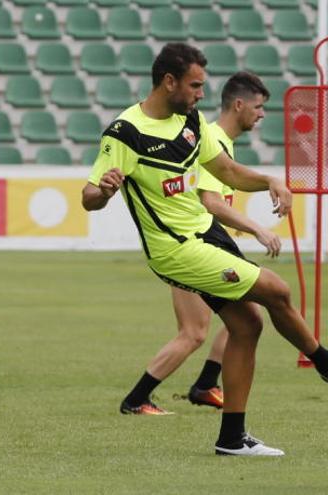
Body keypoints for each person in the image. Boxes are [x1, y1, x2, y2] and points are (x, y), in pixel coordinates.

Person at [82, 43, 328, 456]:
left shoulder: (191, 122)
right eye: (195, 85)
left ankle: (232, 439)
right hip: (176, 248)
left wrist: (270, 180)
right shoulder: (124, 132)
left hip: (207, 236)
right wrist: (105, 190)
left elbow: (229, 173)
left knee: (248, 326)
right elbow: (89, 195)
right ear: (169, 82)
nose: (202, 93)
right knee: (277, 290)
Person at [120, 71, 282, 415]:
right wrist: (258, 229)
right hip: (190, 247)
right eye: (259, 106)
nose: (262, 113)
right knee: (195, 332)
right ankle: (137, 400)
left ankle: (206, 385)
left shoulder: (218, 139)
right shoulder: (211, 139)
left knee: (244, 318)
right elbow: (211, 201)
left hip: (202, 245)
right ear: (238, 105)